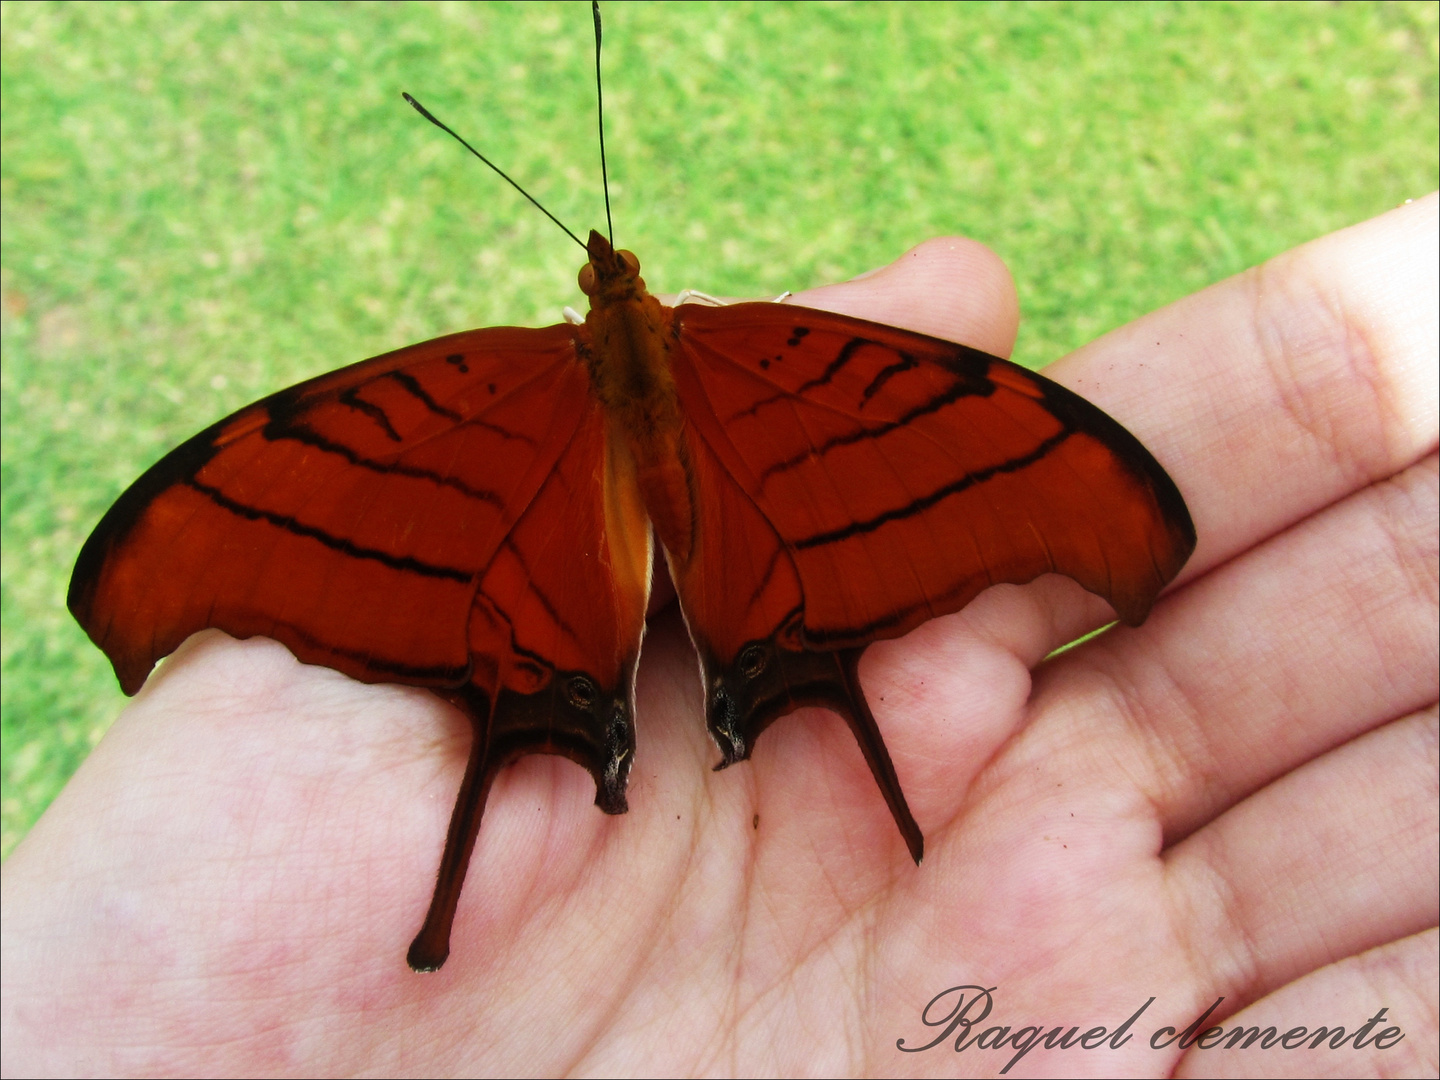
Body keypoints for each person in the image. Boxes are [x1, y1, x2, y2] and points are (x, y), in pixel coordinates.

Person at [2, 194, 1434, 1078]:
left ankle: (606, 693)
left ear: (584, 306)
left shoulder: (467, 392)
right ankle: (722, 668)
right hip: (739, 552)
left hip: (562, 588)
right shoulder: (791, 362)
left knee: (571, 650)